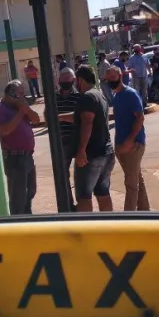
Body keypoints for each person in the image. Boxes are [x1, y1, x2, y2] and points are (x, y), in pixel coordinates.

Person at [104, 66, 150, 211]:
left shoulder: (130, 94)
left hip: (133, 146)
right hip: (122, 147)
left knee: (131, 184)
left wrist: (130, 140)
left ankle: (128, 216)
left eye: (113, 77)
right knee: (137, 181)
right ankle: (145, 212)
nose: (111, 80)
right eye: (108, 78)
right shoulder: (116, 97)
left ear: (120, 76)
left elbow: (140, 117)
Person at [71, 65, 115, 213]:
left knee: (84, 196)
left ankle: (86, 232)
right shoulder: (99, 94)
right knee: (103, 193)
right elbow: (90, 118)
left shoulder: (87, 97)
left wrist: (81, 150)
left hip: (91, 154)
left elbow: (87, 122)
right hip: (106, 152)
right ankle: (108, 228)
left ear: (80, 80)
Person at [0, 79, 41, 215]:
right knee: (18, 197)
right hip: (14, 157)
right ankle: (19, 220)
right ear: (11, 94)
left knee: (30, 191)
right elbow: (4, 130)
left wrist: (26, 109)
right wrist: (21, 112)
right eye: (20, 94)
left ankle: (27, 216)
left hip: (27, 156)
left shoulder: (20, 107)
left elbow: (36, 119)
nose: (23, 97)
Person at [54, 67, 80, 210]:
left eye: (68, 81)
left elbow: (78, 117)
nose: (65, 84)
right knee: (63, 175)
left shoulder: (79, 96)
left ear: (73, 81)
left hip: (77, 139)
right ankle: (68, 205)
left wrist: (58, 117)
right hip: (61, 141)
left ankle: (82, 204)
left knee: (81, 174)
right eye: (62, 81)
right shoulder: (54, 97)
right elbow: (48, 117)